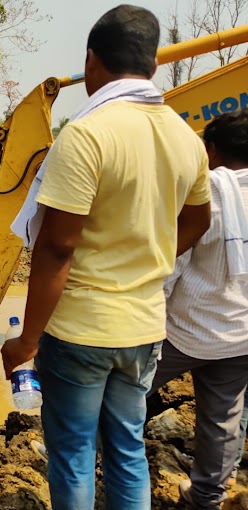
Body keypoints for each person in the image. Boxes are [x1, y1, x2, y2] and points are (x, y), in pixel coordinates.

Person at [1, 6, 211, 510]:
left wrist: (26, 341)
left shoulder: (87, 135)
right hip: (143, 329)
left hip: (81, 330)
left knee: (73, 454)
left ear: (91, 61)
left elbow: (56, 245)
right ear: (155, 67)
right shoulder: (188, 140)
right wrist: (150, 255)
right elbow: (198, 221)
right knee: (127, 451)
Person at [146, 109, 248, 509]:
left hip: (184, 331)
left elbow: (171, 266)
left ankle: (103, 462)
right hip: (240, 336)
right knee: (224, 421)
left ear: (210, 149)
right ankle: (206, 496)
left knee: (124, 395)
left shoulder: (205, 192)